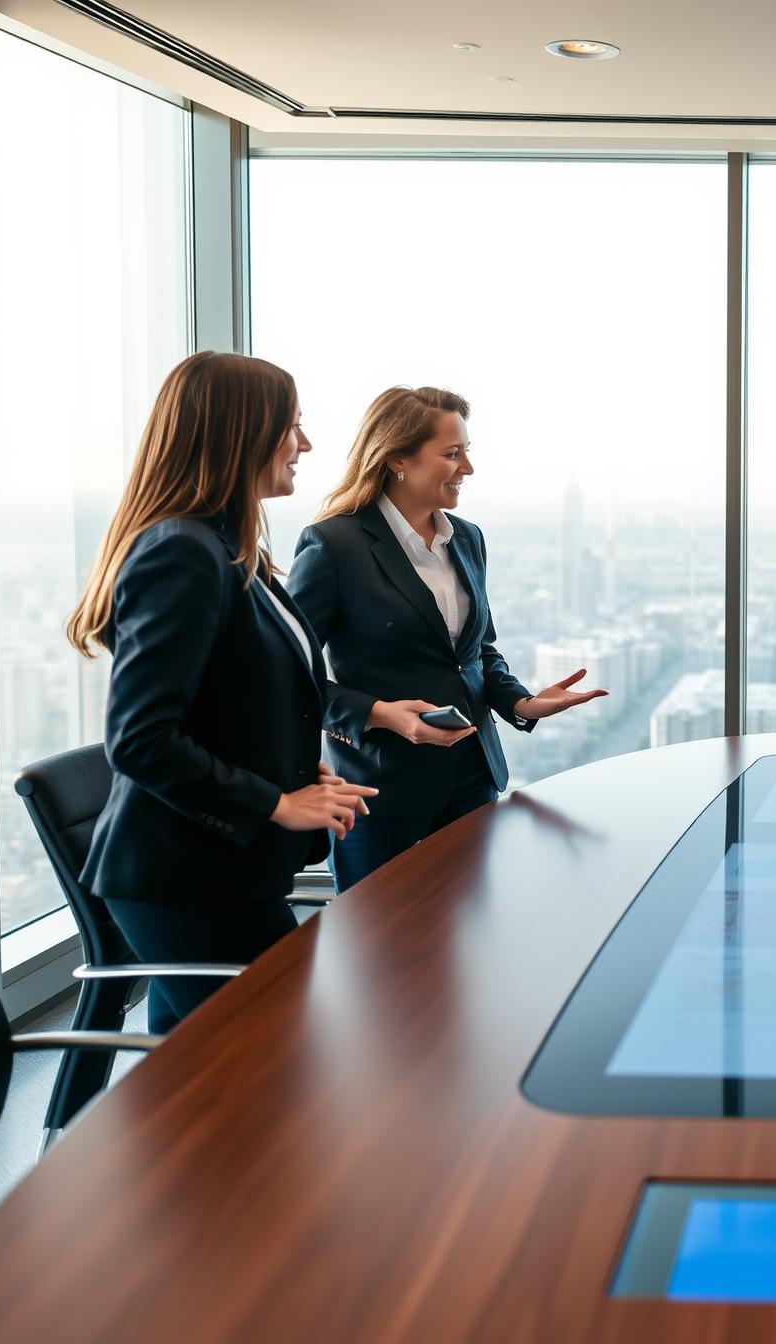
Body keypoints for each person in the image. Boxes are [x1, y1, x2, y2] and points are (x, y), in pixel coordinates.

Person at [68, 352, 377, 1033]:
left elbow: (234, 700)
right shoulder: (182, 552)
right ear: (241, 433)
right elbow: (141, 739)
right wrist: (275, 800)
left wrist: (294, 771)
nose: (306, 444)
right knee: (275, 1069)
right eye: (291, 425)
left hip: (219, 873)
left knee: (197, 1088)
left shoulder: (229, 549)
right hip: (187, 883)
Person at [286, 386, 606, 892]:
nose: (468, 470)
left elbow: (477, 652)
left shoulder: (468, 538)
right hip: (379, 790)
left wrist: (522, 703)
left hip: (471, 779)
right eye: (452, 454)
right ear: (397, 459)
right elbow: (286, 676)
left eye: (467, 453)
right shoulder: (334, 544)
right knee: (377, 952)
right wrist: (379, 713)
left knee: (466, 941)